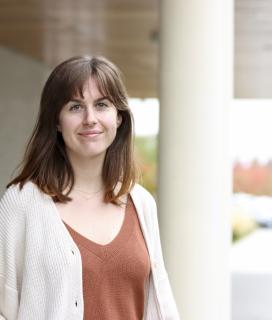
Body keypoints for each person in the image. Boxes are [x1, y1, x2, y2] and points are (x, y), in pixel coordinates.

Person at [0, 56, 179, 320]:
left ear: (118, 117)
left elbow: (159, 304)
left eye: (102, 105)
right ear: (57, 122)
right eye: (75, 107)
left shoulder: (141, 203)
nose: (90, 118)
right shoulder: (22, 202)